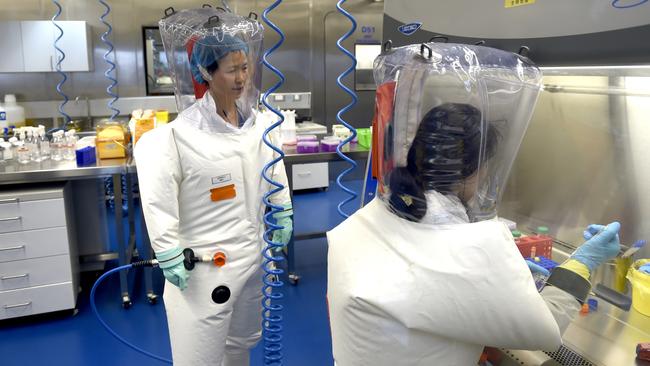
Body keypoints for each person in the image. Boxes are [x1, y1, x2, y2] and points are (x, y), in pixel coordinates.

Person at [327, 43, 621, 365]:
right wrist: (583, 262)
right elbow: (544, 329)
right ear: (473, 170)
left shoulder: (379, 212)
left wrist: (500, 276)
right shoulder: (462, 243)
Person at [135, 9, 292, 366]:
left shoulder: (260, 127)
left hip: (252, 261)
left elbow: (273, 170)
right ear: (206, 73)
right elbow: (158, 204)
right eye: (231, 69)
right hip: (203, 270)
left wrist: (282, 209)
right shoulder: (174, 138)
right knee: (200, 356)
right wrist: (167, 251)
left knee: (241, 345)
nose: (241, 78)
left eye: (245, 67)